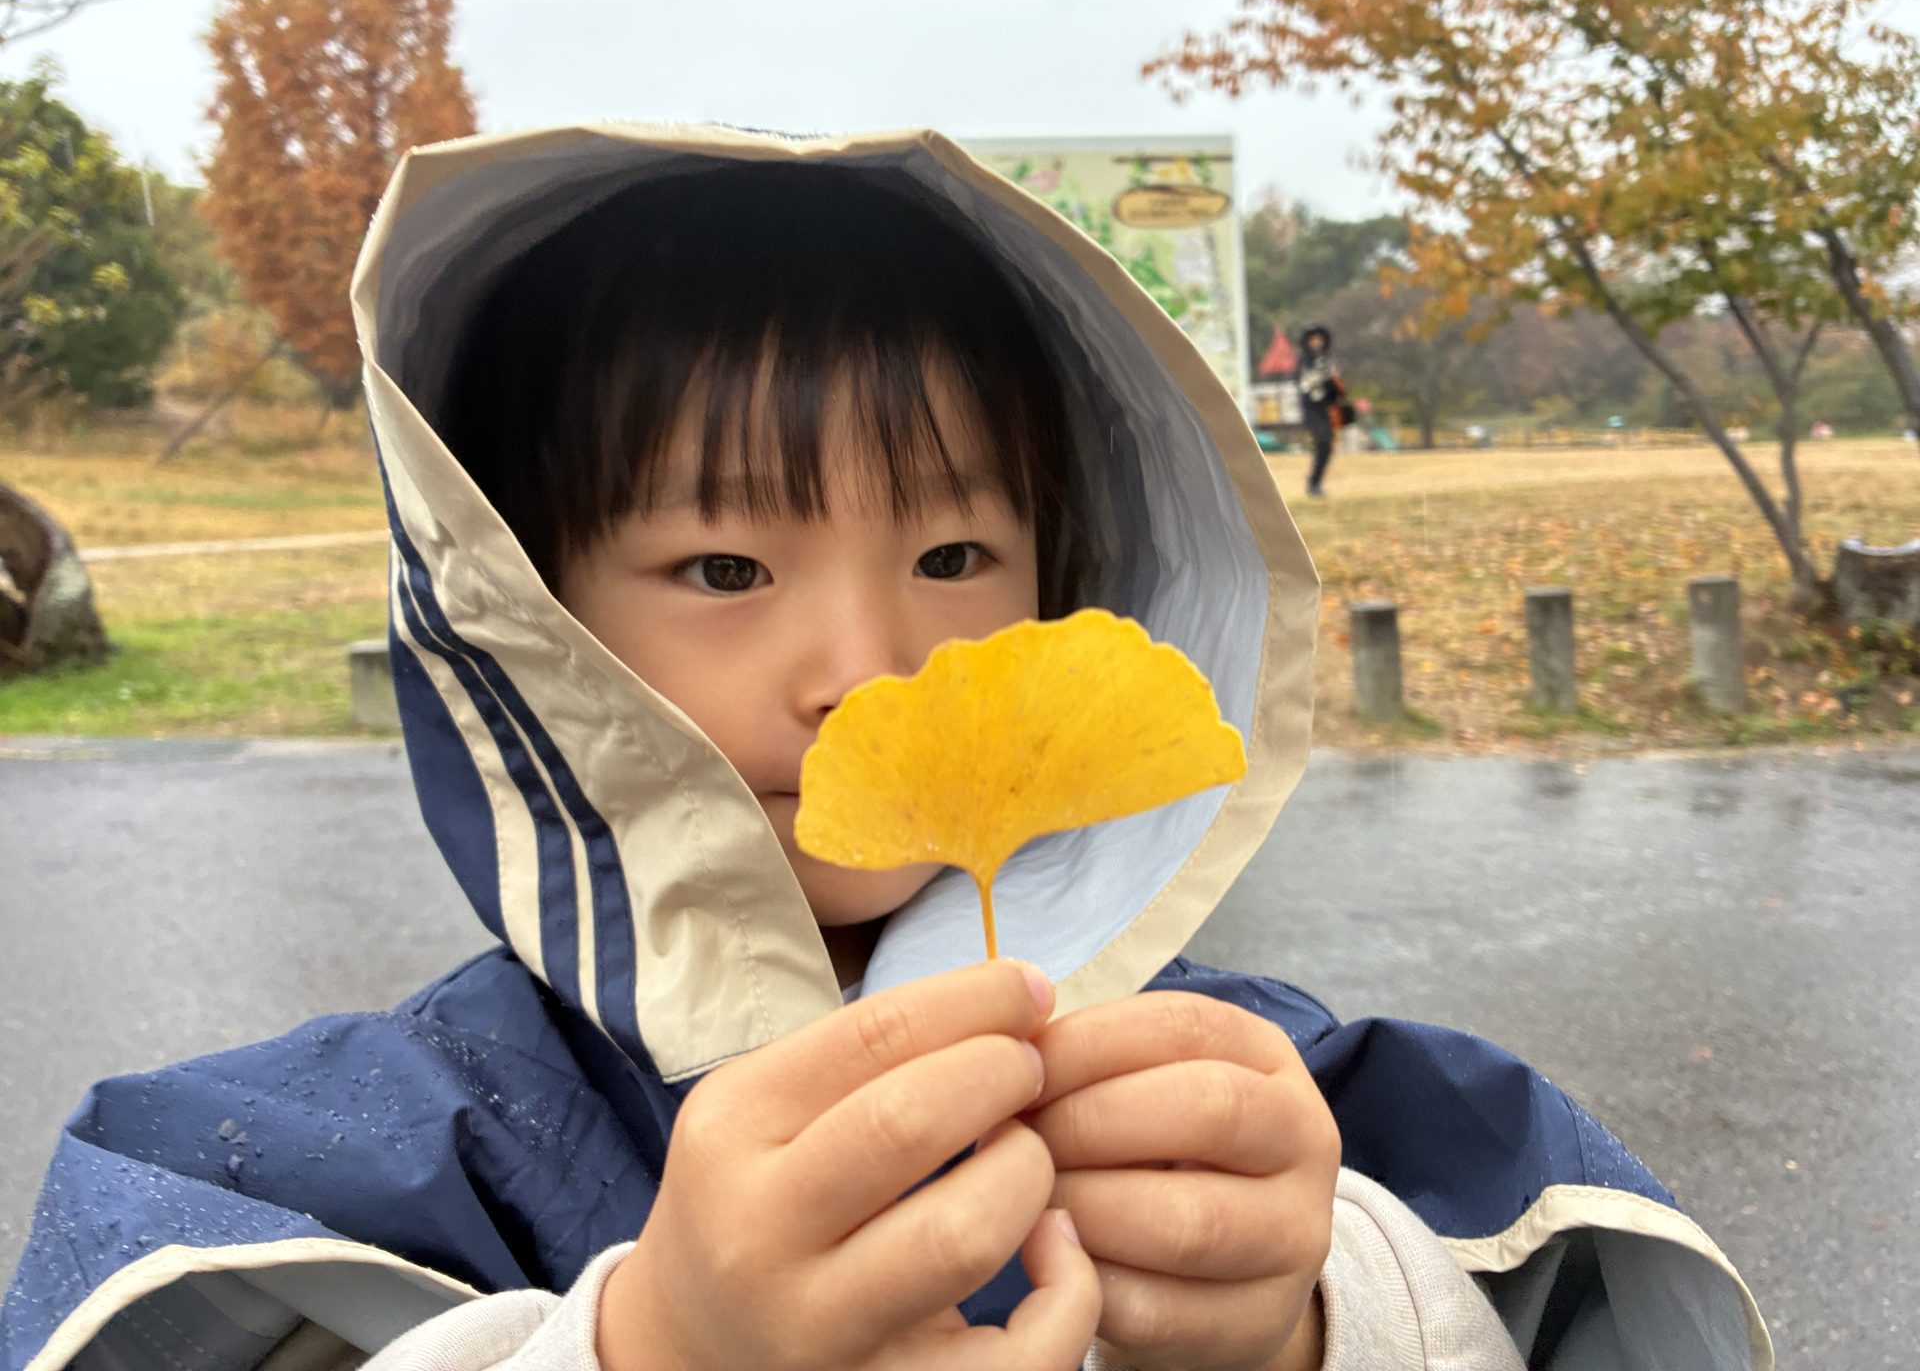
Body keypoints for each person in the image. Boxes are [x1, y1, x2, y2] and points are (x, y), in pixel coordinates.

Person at [2, 127, 1769, 1371]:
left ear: (1078, 579)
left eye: (953, 557)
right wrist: (649, 1349)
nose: (864, 670)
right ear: (527, 625)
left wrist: (1318, 1315)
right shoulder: (358, 1160)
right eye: (723, 568)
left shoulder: (1266, 1089)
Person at [1295, 325, 1352, 498]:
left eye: (1319, 339)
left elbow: (1336, 391)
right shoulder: (1304, 361)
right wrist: (1324, 377)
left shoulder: (1328, 361)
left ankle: (1315, 482)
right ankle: (1313, 483)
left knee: (1327, 445)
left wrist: (1334, 382)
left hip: (1325, 409)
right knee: (1322, 439)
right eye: (1313, 339)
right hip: (1310, 409)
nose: (1316, 342)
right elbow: (1303, 384)